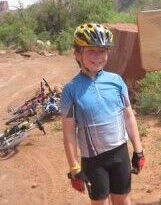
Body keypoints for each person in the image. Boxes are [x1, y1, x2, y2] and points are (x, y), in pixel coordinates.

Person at [61, 23, 144, 205]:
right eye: (92, 51)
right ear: (77, 54)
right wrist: (74, 166)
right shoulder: (70, 90)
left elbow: (128, 117)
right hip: (93, 161)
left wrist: (138, 150)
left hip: (120, 154)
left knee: (123, 201)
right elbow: (68, 133)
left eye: (103, 51)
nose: (98, 57)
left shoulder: (116, 81)